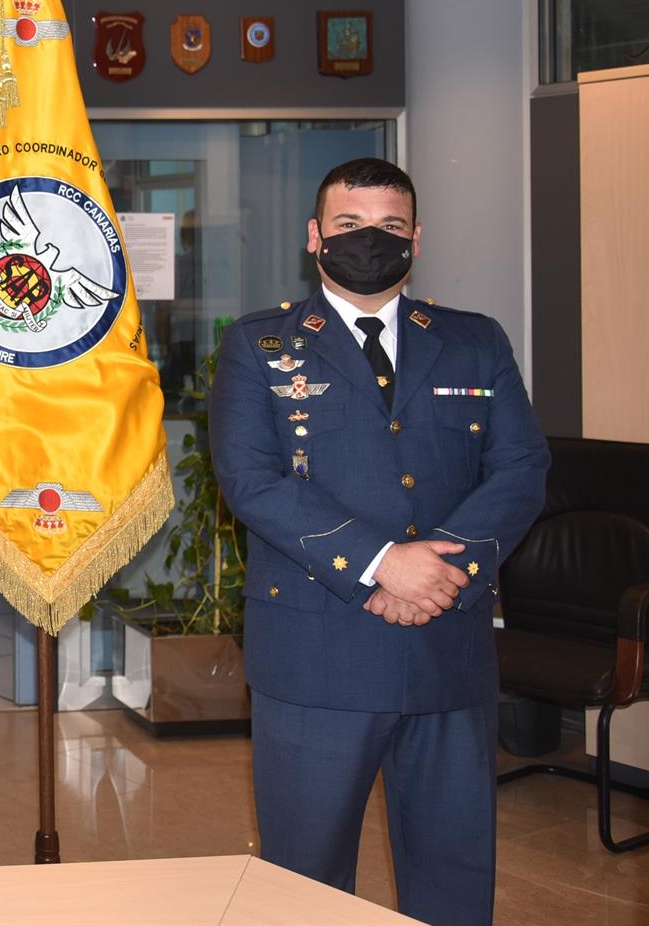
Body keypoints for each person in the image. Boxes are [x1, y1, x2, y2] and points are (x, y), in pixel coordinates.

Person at [209, 158, 548, 926]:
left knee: (453, 874)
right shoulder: (259, 347)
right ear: (314, 237)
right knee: (305, 883)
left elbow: (522, 467)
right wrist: (383, 564)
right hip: (317, 654)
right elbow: (253, 481)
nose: (371, 240)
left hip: (446, 644)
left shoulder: (474, 342)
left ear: (417, 238)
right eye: (350, 225)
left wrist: (438, 571)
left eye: (391, 227)